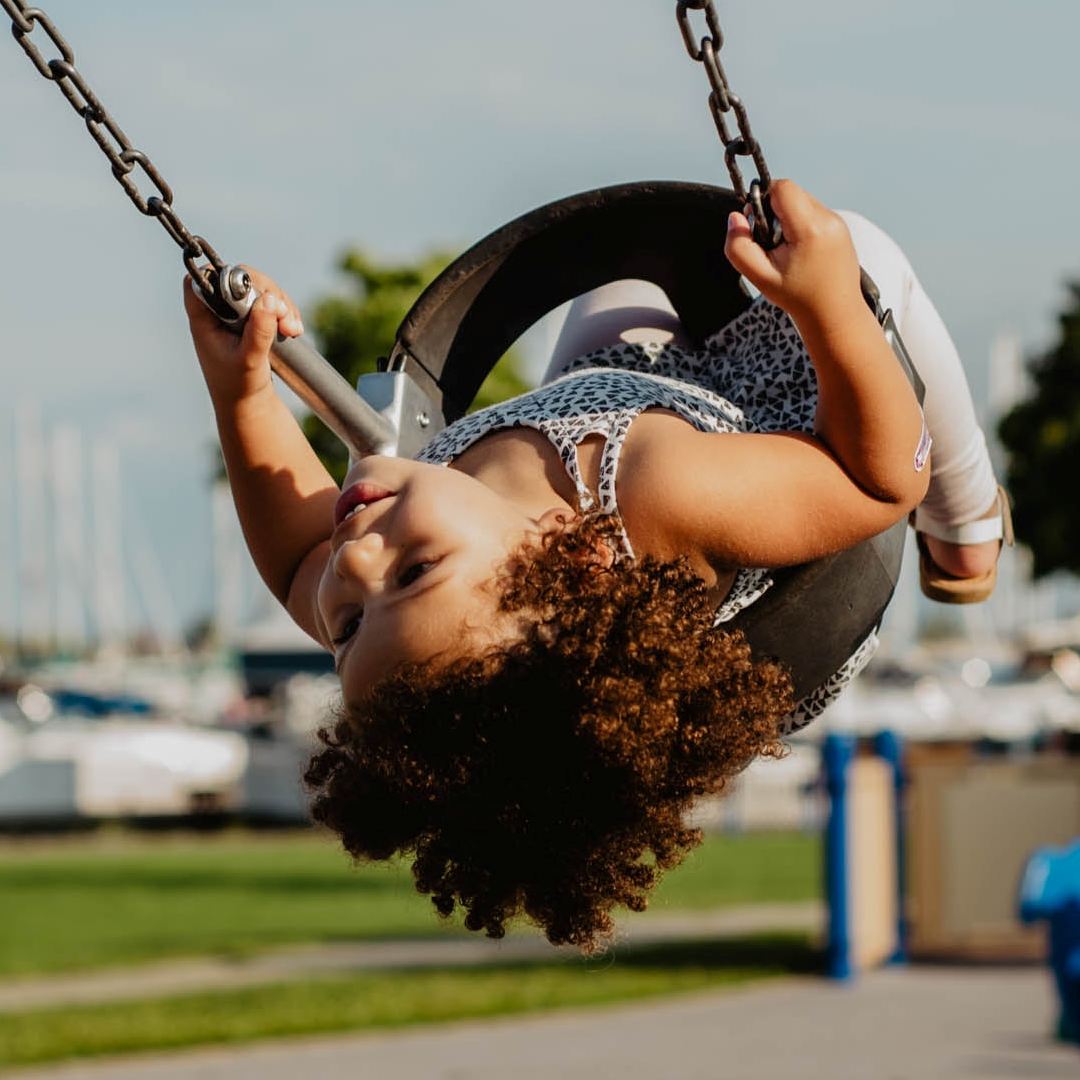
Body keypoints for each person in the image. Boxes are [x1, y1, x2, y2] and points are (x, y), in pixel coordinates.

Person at [184, 180, 1009, 950]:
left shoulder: (434, 598)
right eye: (413, 572)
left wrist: (243, 393)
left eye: (349, 623)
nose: (356, 561)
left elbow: (298, 559)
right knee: (863, 258)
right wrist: (828, 307)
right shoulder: (663, 493)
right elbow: (875, 480)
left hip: (613, 387)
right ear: (571, 560)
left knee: (634, 264)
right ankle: (969, 522)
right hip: (794, 425)